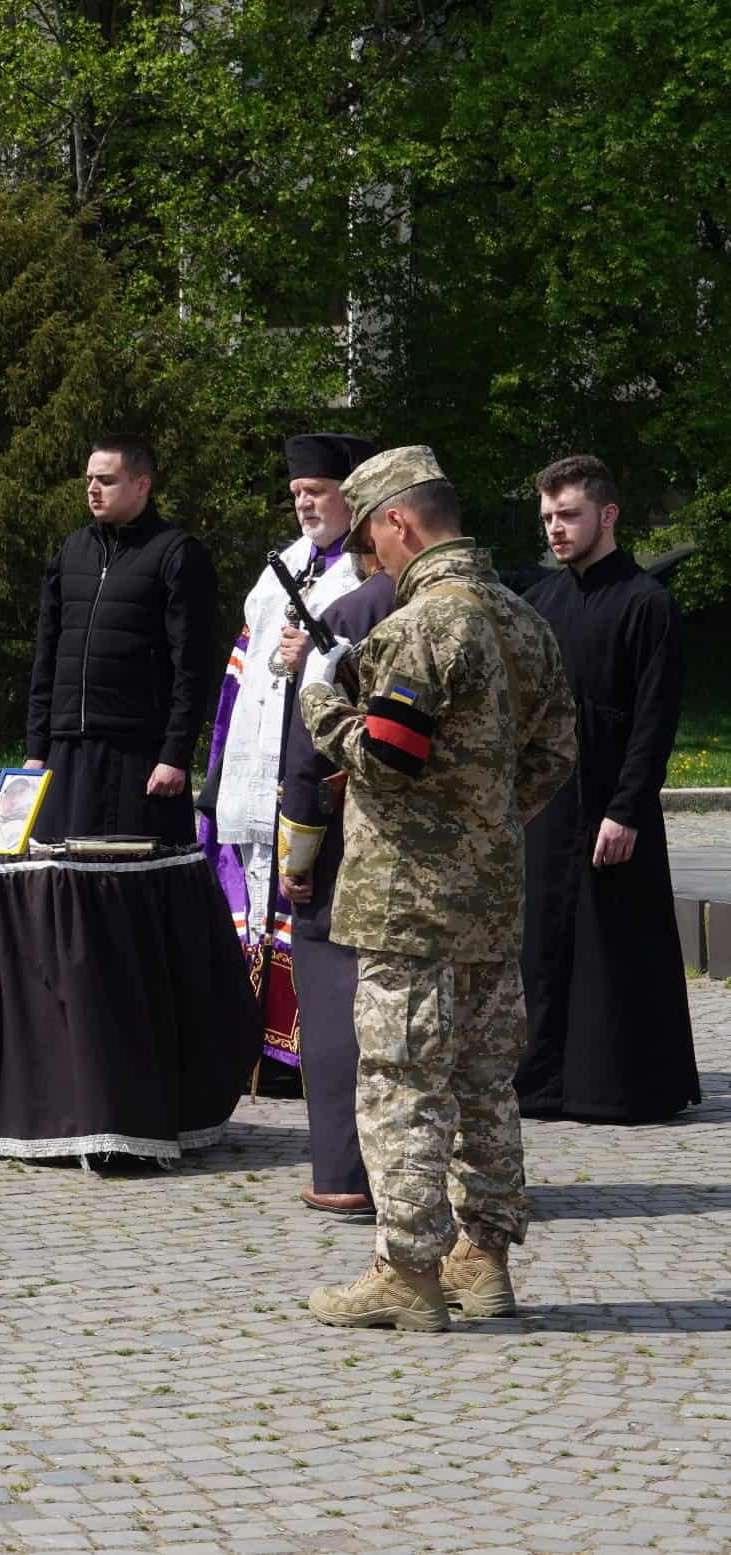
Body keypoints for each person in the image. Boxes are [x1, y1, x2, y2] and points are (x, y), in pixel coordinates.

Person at [298, 446, 575, 1331]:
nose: (368, 559)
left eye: (369, 540)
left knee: (403, 1082)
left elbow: (388, 755)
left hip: (408, 900)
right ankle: (482, 1261)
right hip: (490, 899)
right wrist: (486, 821)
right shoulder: (522, 618)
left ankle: (408, 1271)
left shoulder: (421, 626)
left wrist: (319, 701)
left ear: (399, 522)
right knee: (486, 1082)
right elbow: (556, 753)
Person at [517, 455, 697, 1123]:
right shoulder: (542, 602)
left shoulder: (647, 603)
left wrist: (627, 809)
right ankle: (540, 1083)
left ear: (608, 514)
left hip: (611, 803)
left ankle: (617, 1086)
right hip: (549, 806)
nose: (555, 529)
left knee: (615, 947)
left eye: (568, 515)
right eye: (547, 517)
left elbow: (654, 721)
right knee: (542, 943)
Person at [199, 435, 369, 1088]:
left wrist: (319, 659)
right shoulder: (281, 571)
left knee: (308, 904)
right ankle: (255, 1052)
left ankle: (303, 1058)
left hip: (317, 766)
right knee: (253, 901)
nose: (304, 504)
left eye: (316, 492)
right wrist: (219, 773)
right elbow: (239, 680)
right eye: (297, 493)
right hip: (256, 765)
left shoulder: (366, 573)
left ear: (348, 495)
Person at [272, 544, 399, 1217]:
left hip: (354, 842)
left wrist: (297, 856)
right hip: (456, 854)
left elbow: (309, 754)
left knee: (334, 999)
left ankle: (346, 1173)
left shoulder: (350, 614)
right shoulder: (489, 609)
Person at [23, 434, 221, 843]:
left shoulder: (176, 554)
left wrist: (175, 755)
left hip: (138, 758)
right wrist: (35, 749)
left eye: (107, 480)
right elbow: (47, 658)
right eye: (89, 479)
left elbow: (192, 667)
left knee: (130, 876)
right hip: (66, 753)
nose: (93, 489)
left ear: (141, 484)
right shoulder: (72, 551)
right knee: (58, 872)